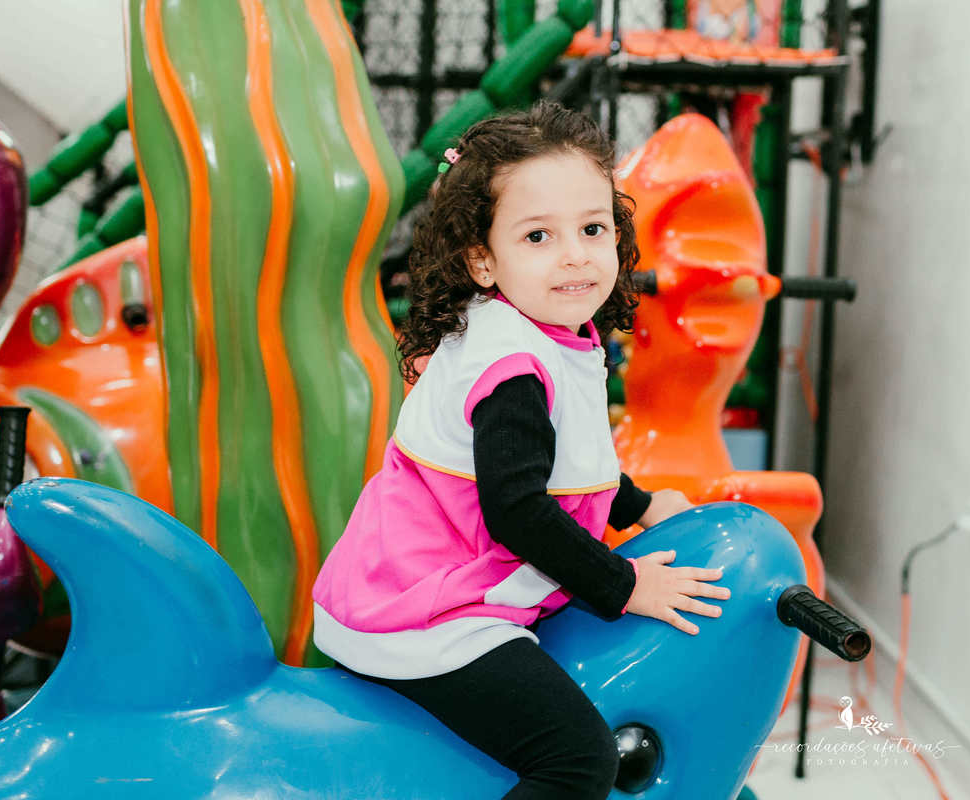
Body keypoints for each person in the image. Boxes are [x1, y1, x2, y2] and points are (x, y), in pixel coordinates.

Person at [312, 101, 729, 800]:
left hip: (424, 584)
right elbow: (517, 510)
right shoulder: (510, 369)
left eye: (592, 229)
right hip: (424, 613)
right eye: (538, 236)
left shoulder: (540, 330)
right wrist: (625, 587)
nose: (574, 255)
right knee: (579, 760)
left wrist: (639, 503)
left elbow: (563, 461)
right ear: (482, 259)